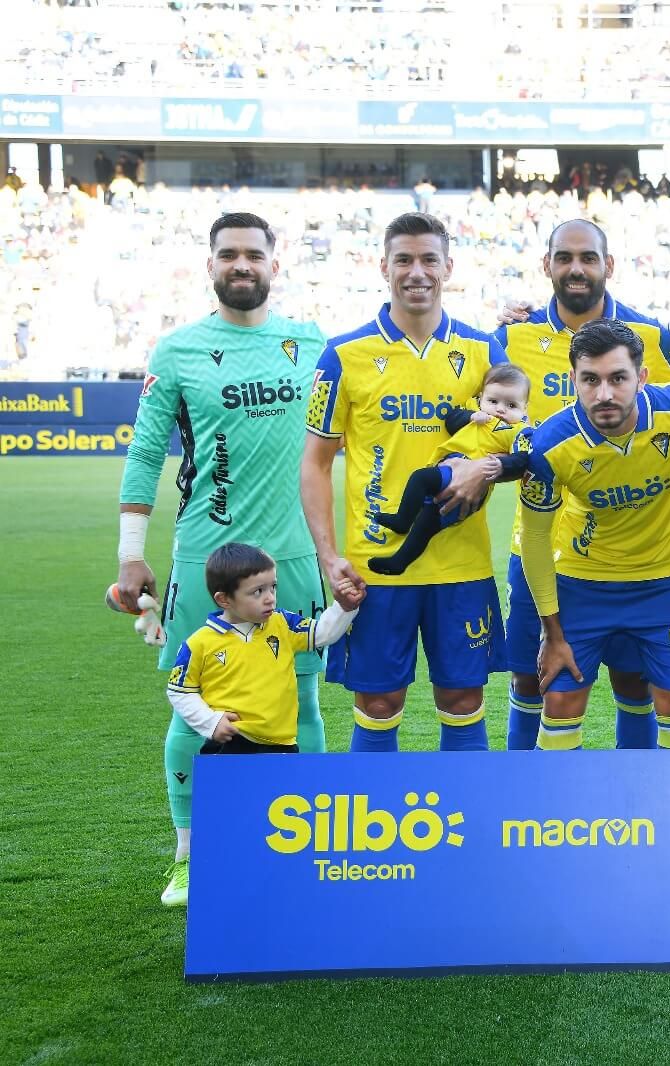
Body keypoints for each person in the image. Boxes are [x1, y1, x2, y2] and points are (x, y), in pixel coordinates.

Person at [113, 211, 327, 908]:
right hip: (208, 557)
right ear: (210, 265)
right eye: (229, 254)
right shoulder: (177, 352)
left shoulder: (312, 342)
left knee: (301, 700)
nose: (242, 265)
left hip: (295, 556)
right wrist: (130, 556)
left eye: (253, 254)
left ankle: (310, 844)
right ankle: (188, 856)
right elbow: (147, 453)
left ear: (274, 262)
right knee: (194, 706)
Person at [301, 212, 511, 754]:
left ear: (448, 267)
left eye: (428, 260)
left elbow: (517, 438)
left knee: (464, 699)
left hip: (461, 563)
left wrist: (482, 467)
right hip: (376, 565)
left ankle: (469, 833)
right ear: (383, 267)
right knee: (377, 703)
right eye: (404, 260)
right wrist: (329, 557)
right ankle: (374, 835)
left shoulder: (484, 351)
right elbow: (316, 463)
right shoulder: (343, 355)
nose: (417, 272)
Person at [496, 218, 670, 750]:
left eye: (588, 258)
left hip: (644, 549)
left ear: (607, 265)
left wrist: (661, 467)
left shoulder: (652, 338)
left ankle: (633, 807)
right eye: (563, 258)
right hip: (546, 542)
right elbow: (480, 406)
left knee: (635, 680)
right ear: (547, 264)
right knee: (532, 676)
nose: (575, 269)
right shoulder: (509, 335)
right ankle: (527, 802)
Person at [515, 319, 670, 750]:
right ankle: (554, 816)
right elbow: (534, 540)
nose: (604, 394)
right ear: (573, 379)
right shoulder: (551, 444)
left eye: (618, 378)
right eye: (590, 380)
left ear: (642, 377)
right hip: (581, 586)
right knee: (561, 705)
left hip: (666, 584)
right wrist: (553, 634)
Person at [167, 542, 361, 756]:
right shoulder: (199, 643)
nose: (270, 598)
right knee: (233, 791)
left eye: (273, 587)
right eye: (258, 591)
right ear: (224, 599)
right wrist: (210, 722)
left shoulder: (282, 624)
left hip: (282, 745)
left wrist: (344, 607)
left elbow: (322, 634)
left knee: (283, 790)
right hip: (230, 743)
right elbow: (179, 691)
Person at [370, 364, 531, 576]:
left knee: (426, 509)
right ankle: (401, 539)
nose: (500, 409)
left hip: (472, 482)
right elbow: (450, 420)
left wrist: (500, 465)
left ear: (525, 409)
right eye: (493, 401)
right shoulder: (476, 414)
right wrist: (470, 416)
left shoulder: (518, 430)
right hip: (451, 466)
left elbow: (524, 458)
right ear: (481, 398)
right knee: (424, 498)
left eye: (511, 405)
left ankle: (401, 541)